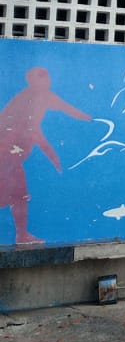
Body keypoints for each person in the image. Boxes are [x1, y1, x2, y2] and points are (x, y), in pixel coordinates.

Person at [0, 67, 90, 245]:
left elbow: (68, 109)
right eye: (41, 78)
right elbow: (30, 131)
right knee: (17, 195)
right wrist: (53, 156)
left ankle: (22, 235)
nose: (47, 81)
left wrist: (92, 119)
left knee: (17, 196)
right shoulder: (25, 100)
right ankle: (22, 236)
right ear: (32, 82)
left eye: (46, 77)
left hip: (13, 156)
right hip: (6, 155)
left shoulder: (45, 96)